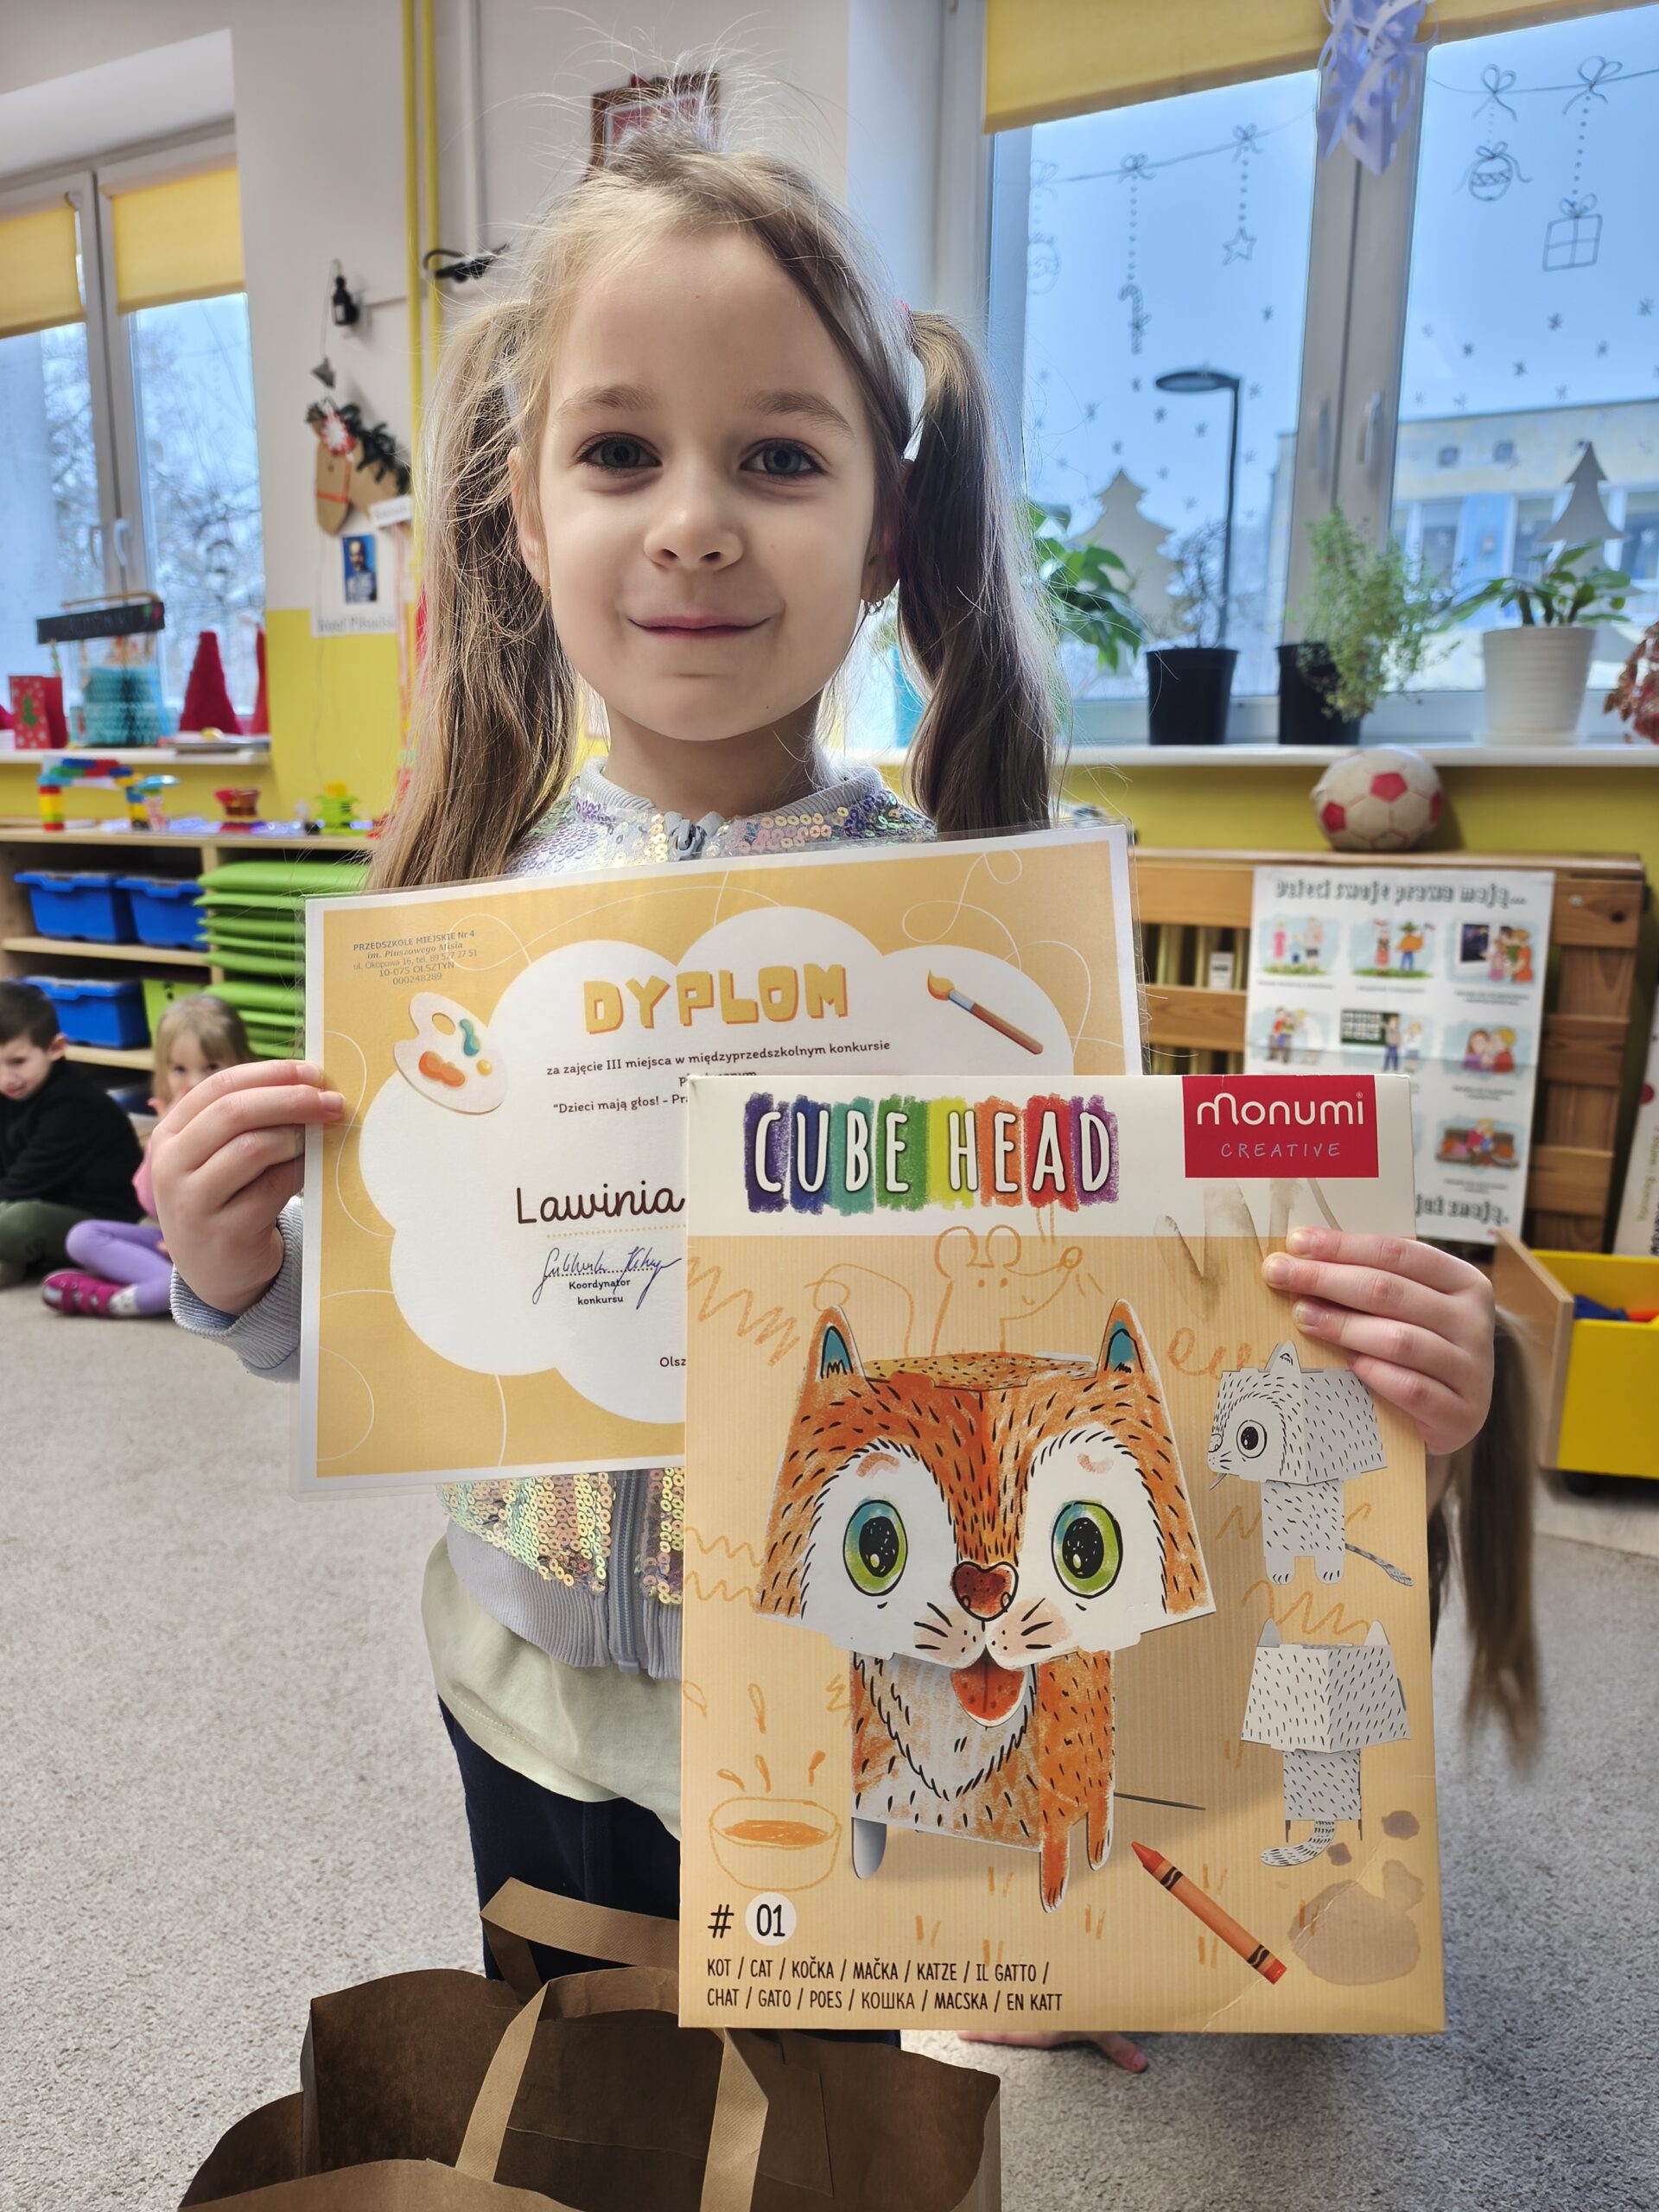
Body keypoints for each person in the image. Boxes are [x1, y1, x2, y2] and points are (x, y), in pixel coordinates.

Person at [148, 109, 1497, 2074]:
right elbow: (395, 1321)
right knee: (579, 2112)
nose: (694, 520)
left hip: (877, 1695)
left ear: (882, 533)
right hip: (532, 1694)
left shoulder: (987, 944)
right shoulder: (450, 924)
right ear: (520, 513)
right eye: (620, 451)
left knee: (849, 2137)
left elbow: (1121, 1374)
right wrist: (240, 1273)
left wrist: (1383, 1393)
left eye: (777, 457)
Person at [42, 995, 253, 1318]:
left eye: (211, 1067)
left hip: (227, 1251)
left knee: (191, 1288)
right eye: (180, 1069)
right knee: (81, 1237)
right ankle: (155, 1287)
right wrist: (161, 1142)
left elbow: (256, 1212)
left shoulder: (247, 1130)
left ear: (241, 1064)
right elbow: (151, 1207)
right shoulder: (170, 1121)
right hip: (174, 1243)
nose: (195, 1083)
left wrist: (194, 1243)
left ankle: (112, 1299)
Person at [0, 981, 143, 1287]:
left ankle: (19, 1255)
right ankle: (16, 1258)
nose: (5, 1078)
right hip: (32, 1197)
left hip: (96, 1220)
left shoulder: (76, 1104)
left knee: (17, 1223)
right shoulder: (9, 1093)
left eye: (17, 1062)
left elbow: (26, 1181)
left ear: (55, 1048)